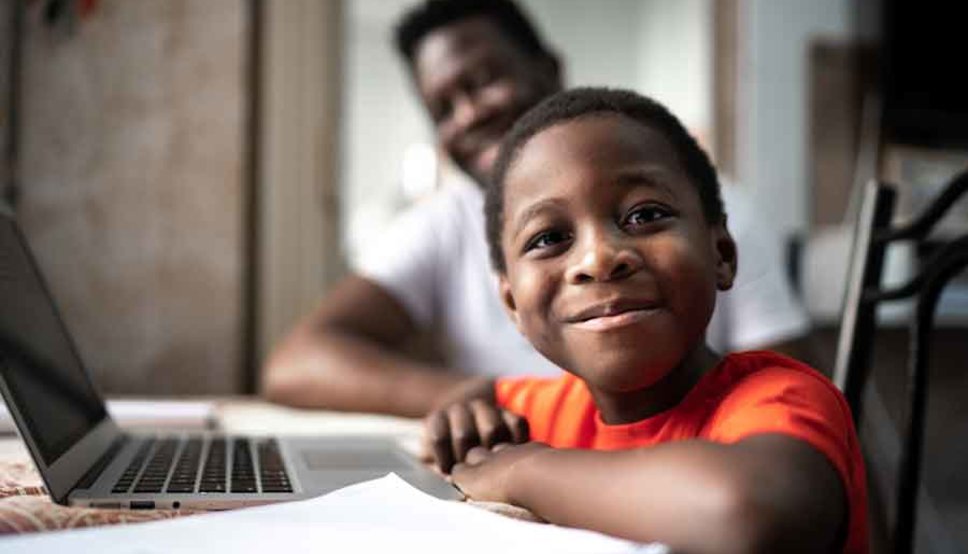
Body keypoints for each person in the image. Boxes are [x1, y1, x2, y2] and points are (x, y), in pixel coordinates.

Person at [261, 0, 810, 418]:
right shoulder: (445, 223)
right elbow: (295, 363)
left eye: (485, 81)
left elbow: (792, 400)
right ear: (510, 299)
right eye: (443, 107)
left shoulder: (704, 201)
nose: (470, 113)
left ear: (548, 69)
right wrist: (497, 402)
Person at [424, 87, 867, 553]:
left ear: (721, 254)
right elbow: (485, 393)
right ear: (513, 304)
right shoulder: (559, 408)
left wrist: (523, 471)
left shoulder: (782, 398)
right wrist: (462, 414)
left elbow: (743, 512)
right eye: (550, 237)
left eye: (645, 214)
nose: (598, 259)